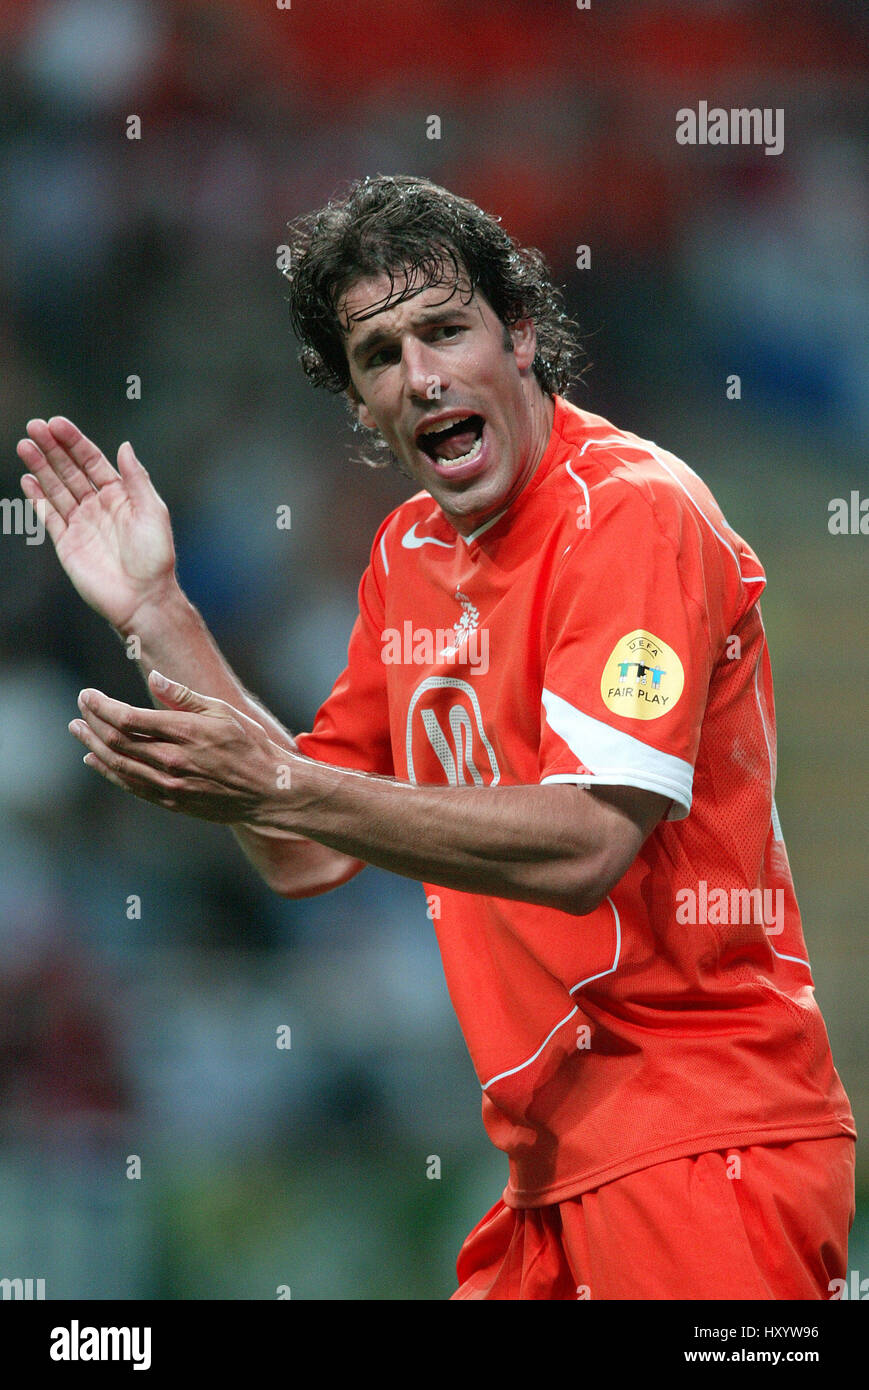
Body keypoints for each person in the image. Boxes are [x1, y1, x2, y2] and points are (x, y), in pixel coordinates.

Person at [18, 175, 855, 1301]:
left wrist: (278, 782)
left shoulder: (632, 513)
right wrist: (158, 614)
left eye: (444, 329)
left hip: (701, 1143)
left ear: (520, 336)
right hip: (546, 1165)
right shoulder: (405, 558)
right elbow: (302, 846)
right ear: (359, 405)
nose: (418, 374)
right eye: (376, 355)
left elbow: (585, 844)